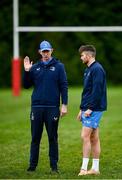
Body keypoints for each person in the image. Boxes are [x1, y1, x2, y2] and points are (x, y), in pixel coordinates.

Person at [23, 40, 68, 173]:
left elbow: (64, 86)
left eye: (47, 51)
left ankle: (54, 166)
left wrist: (64, 104)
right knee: (35, 137)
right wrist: (26, 71)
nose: (46, 53)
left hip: (52, 107)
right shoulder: (35, 67)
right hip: (37, 107)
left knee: (52, 137)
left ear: (52, 51)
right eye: (43, 51)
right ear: (40, 52)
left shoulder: (59, 67)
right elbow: (26, 86)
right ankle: (32, 166)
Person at [77, 45, 107, 176]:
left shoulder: (97, 69)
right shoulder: (89, 69)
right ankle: (95, 169)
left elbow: (97, 91)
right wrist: (81, 109)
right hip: (89, 107)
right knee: (94, 138)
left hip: (94, 108)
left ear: (89, 56)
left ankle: (84, 169)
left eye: (82, 56)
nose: (81, 58)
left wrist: (90, 108)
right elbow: (87, 92)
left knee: (85, 136)